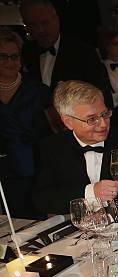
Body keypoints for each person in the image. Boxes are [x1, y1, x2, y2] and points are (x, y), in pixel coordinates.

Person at [33, 80, 118, 230]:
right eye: (92, 119)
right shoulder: (52, 147)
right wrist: (91, 192)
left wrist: (109, 217)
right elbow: (41, 199)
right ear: (68, 122)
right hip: (79, 237)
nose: (103, 124)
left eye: (105, 114)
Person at [19, 0, 111, 106]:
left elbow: (102, 96)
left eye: (45, 22)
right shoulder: (25, 53)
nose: (41, 30)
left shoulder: (83, 53)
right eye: (33, 24)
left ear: (56, 19)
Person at [0, 27, 51, 219]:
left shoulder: (39, 91)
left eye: (14, 56)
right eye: (3, 56)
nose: (9, 62)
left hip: (33, 171)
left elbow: (55, 132)